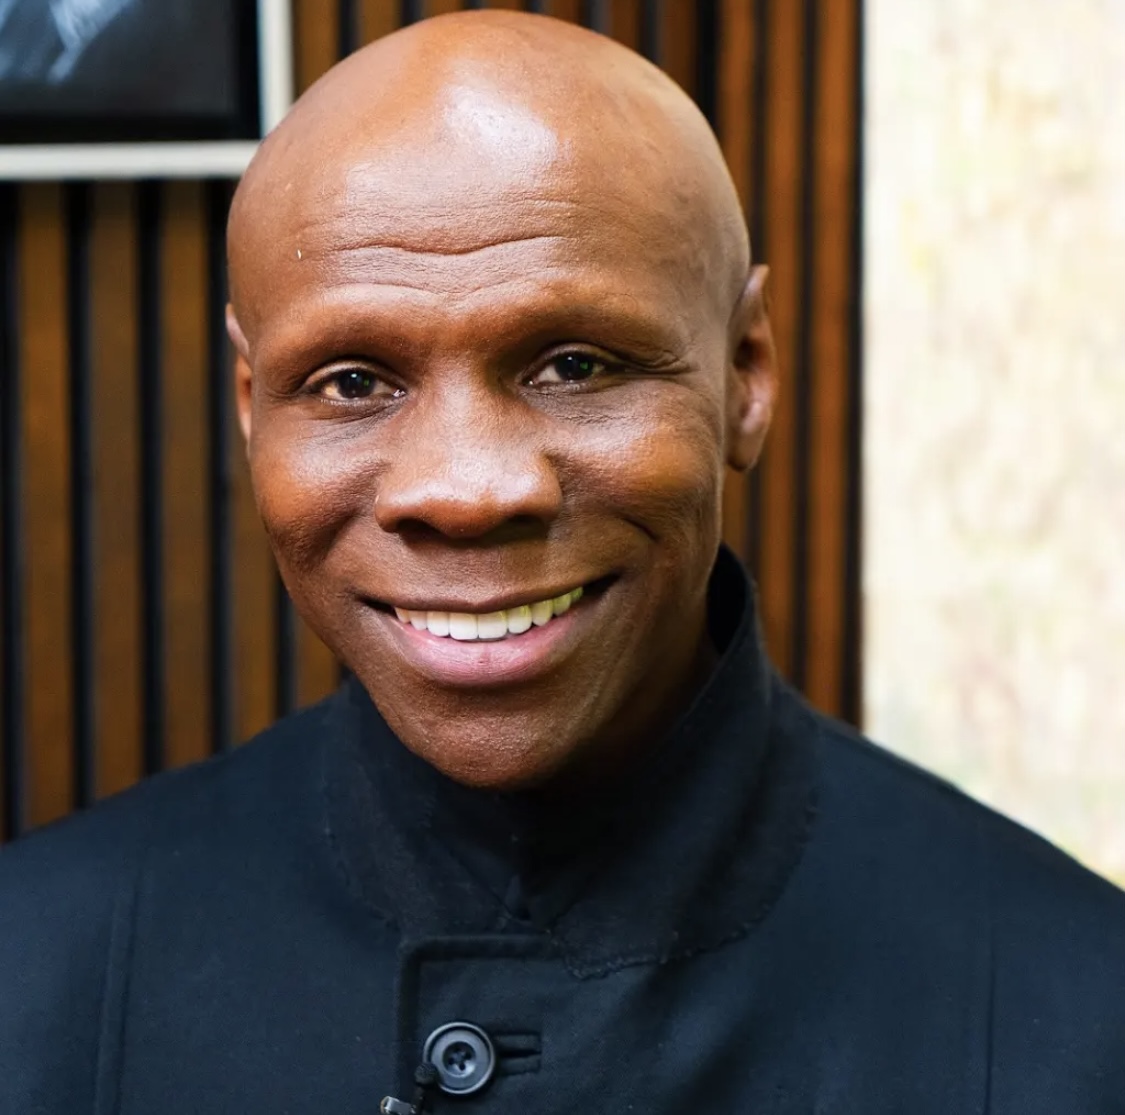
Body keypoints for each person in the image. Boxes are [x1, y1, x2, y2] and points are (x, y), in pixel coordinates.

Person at [2, 11, 1123, 1113]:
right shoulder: (34, 974)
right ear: (254, 407)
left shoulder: (1080, 1016)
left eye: (575, 365)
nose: (464, 489)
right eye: (352, 382)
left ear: (746, 371)